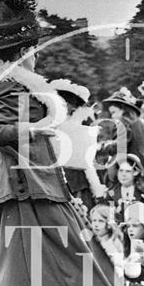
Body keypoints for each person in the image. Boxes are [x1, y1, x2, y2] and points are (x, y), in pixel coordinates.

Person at [0, 2, 135, 286]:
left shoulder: (20, 85)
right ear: (23, 53)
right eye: (32, 51)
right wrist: (37, 127)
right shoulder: (8, 86)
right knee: (24, 269)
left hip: (37, 184)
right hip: (21, 187)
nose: (37, 57)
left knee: (46, 262)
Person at [51, 78, 106, 211]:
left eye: (67, 103)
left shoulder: (77, 128)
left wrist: (97, 189)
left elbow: (87, 164)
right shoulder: (52, 124)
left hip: (77, 185)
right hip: (54, 182)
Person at [102, 87, 144, 179]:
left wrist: (104, 146)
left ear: (124, 110)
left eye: (114, 112)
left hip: (129, 170)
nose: (112, 116)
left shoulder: (123, 123)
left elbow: (120, 146)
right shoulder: (143, 124)